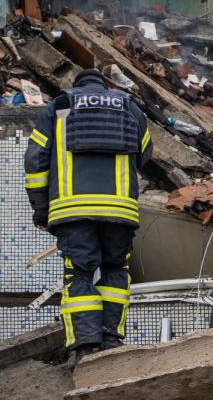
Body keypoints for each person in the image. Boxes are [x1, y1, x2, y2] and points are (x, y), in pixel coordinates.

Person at [23, 68, 152, 362]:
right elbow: (145, 153)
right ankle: (110, 342)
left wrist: (41, 209)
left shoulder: (58, 106)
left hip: (72, 211)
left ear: (76, 85)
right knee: (114, 270)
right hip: (119, 210)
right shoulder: (127, 105)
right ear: (104, 86)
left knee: (79, 274)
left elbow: (35, 161)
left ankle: (84, 347)